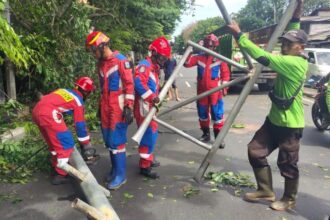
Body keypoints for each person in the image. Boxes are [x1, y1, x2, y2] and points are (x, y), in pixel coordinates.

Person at [227, 0, 307, 211]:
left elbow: (260, 56)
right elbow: (294, 31)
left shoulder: (294, 63)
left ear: (300, 48)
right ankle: (265, 189)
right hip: (274, 121)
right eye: (285, 42)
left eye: (289, 44)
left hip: (290, 125)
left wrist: (239, 35)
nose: (285, 45)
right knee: (255, 150)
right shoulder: (291, 54)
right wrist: (296, 16)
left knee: (287, 164)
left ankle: (289, 199)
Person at [86, 31, 134, 190]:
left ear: (101, 46)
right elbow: (102, 88)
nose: (93, 54)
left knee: (117, 141)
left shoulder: (121, 61)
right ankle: (114, 171)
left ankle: (121, 176)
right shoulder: (101, 63)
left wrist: (128, 106)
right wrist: (100, 107)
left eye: (94, 51)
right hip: (106, 106)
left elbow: (129, 85)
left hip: (118, 106)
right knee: (109, 140)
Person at [32, 76, 96, 185]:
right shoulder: (78, 102)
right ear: (87, 93)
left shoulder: (63, 91)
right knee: (65, 142)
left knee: (53, 143)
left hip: (37, 110)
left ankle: (55, 165)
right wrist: (85, 145)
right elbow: (80, 125)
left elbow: (58, 104)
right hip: (49, 114)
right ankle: (60, 174)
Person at [134, 36, 171, 179]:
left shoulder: (154, 67)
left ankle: (148, 159)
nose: (163, 61)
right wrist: (152, 97)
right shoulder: (145, 65)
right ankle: (144, 166)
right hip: (144, 106)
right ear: (154, 53)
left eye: (164, 59)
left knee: (152, 133)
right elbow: (138, 84)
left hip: (150, 105)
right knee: (148, 135)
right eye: (161, 58)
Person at [184, 34, 230, 147]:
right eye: (207, 46)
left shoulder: (220, 59)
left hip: (215, 92)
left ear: (215, 47)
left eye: (211, 46)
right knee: (202, 113)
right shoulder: (199, 57)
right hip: (202, 92)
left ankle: (218, 138)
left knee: (217, 114)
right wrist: (190, 51)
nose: (209, 48)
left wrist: (224, 87)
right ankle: (206, 134)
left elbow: (226, 74)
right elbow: (186, 63)